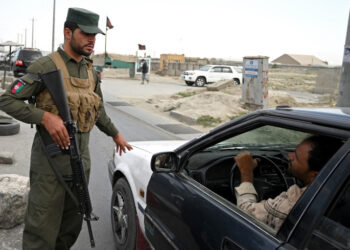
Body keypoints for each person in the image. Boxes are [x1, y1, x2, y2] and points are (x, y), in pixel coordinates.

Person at [0, 7, 133, 249]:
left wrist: (116, 134)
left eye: (95, 36)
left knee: (70, 227)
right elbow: (7, 100)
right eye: (86, 34)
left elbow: (98, 108)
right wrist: (44, 118)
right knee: (41, 231)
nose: (92, 40)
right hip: (50, 164)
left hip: (81, 161)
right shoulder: (46, 66)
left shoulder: (90, 69)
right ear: (68, 32)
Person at [234, 135, 342, 230]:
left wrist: (246, 172)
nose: (290, 155)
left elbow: (245, 212)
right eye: (294, 151)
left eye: (296, 158)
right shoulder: (341, 185)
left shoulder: (292, 206)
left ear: (314, 175)